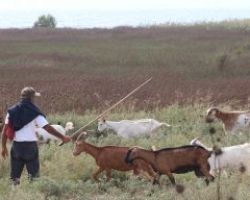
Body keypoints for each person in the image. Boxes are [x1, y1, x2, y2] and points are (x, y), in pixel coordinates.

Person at [1, 87, 71, 185]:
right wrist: (62, 137)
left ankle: (14, 194)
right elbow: (47, 128)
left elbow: (5, 131)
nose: (35, 99)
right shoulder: (34, 112)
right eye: (34, 97)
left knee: (14, 178)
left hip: (16, 147)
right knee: (34, 178)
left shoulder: (11, 111)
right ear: (31, 98)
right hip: (30, 147)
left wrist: (3, 147)